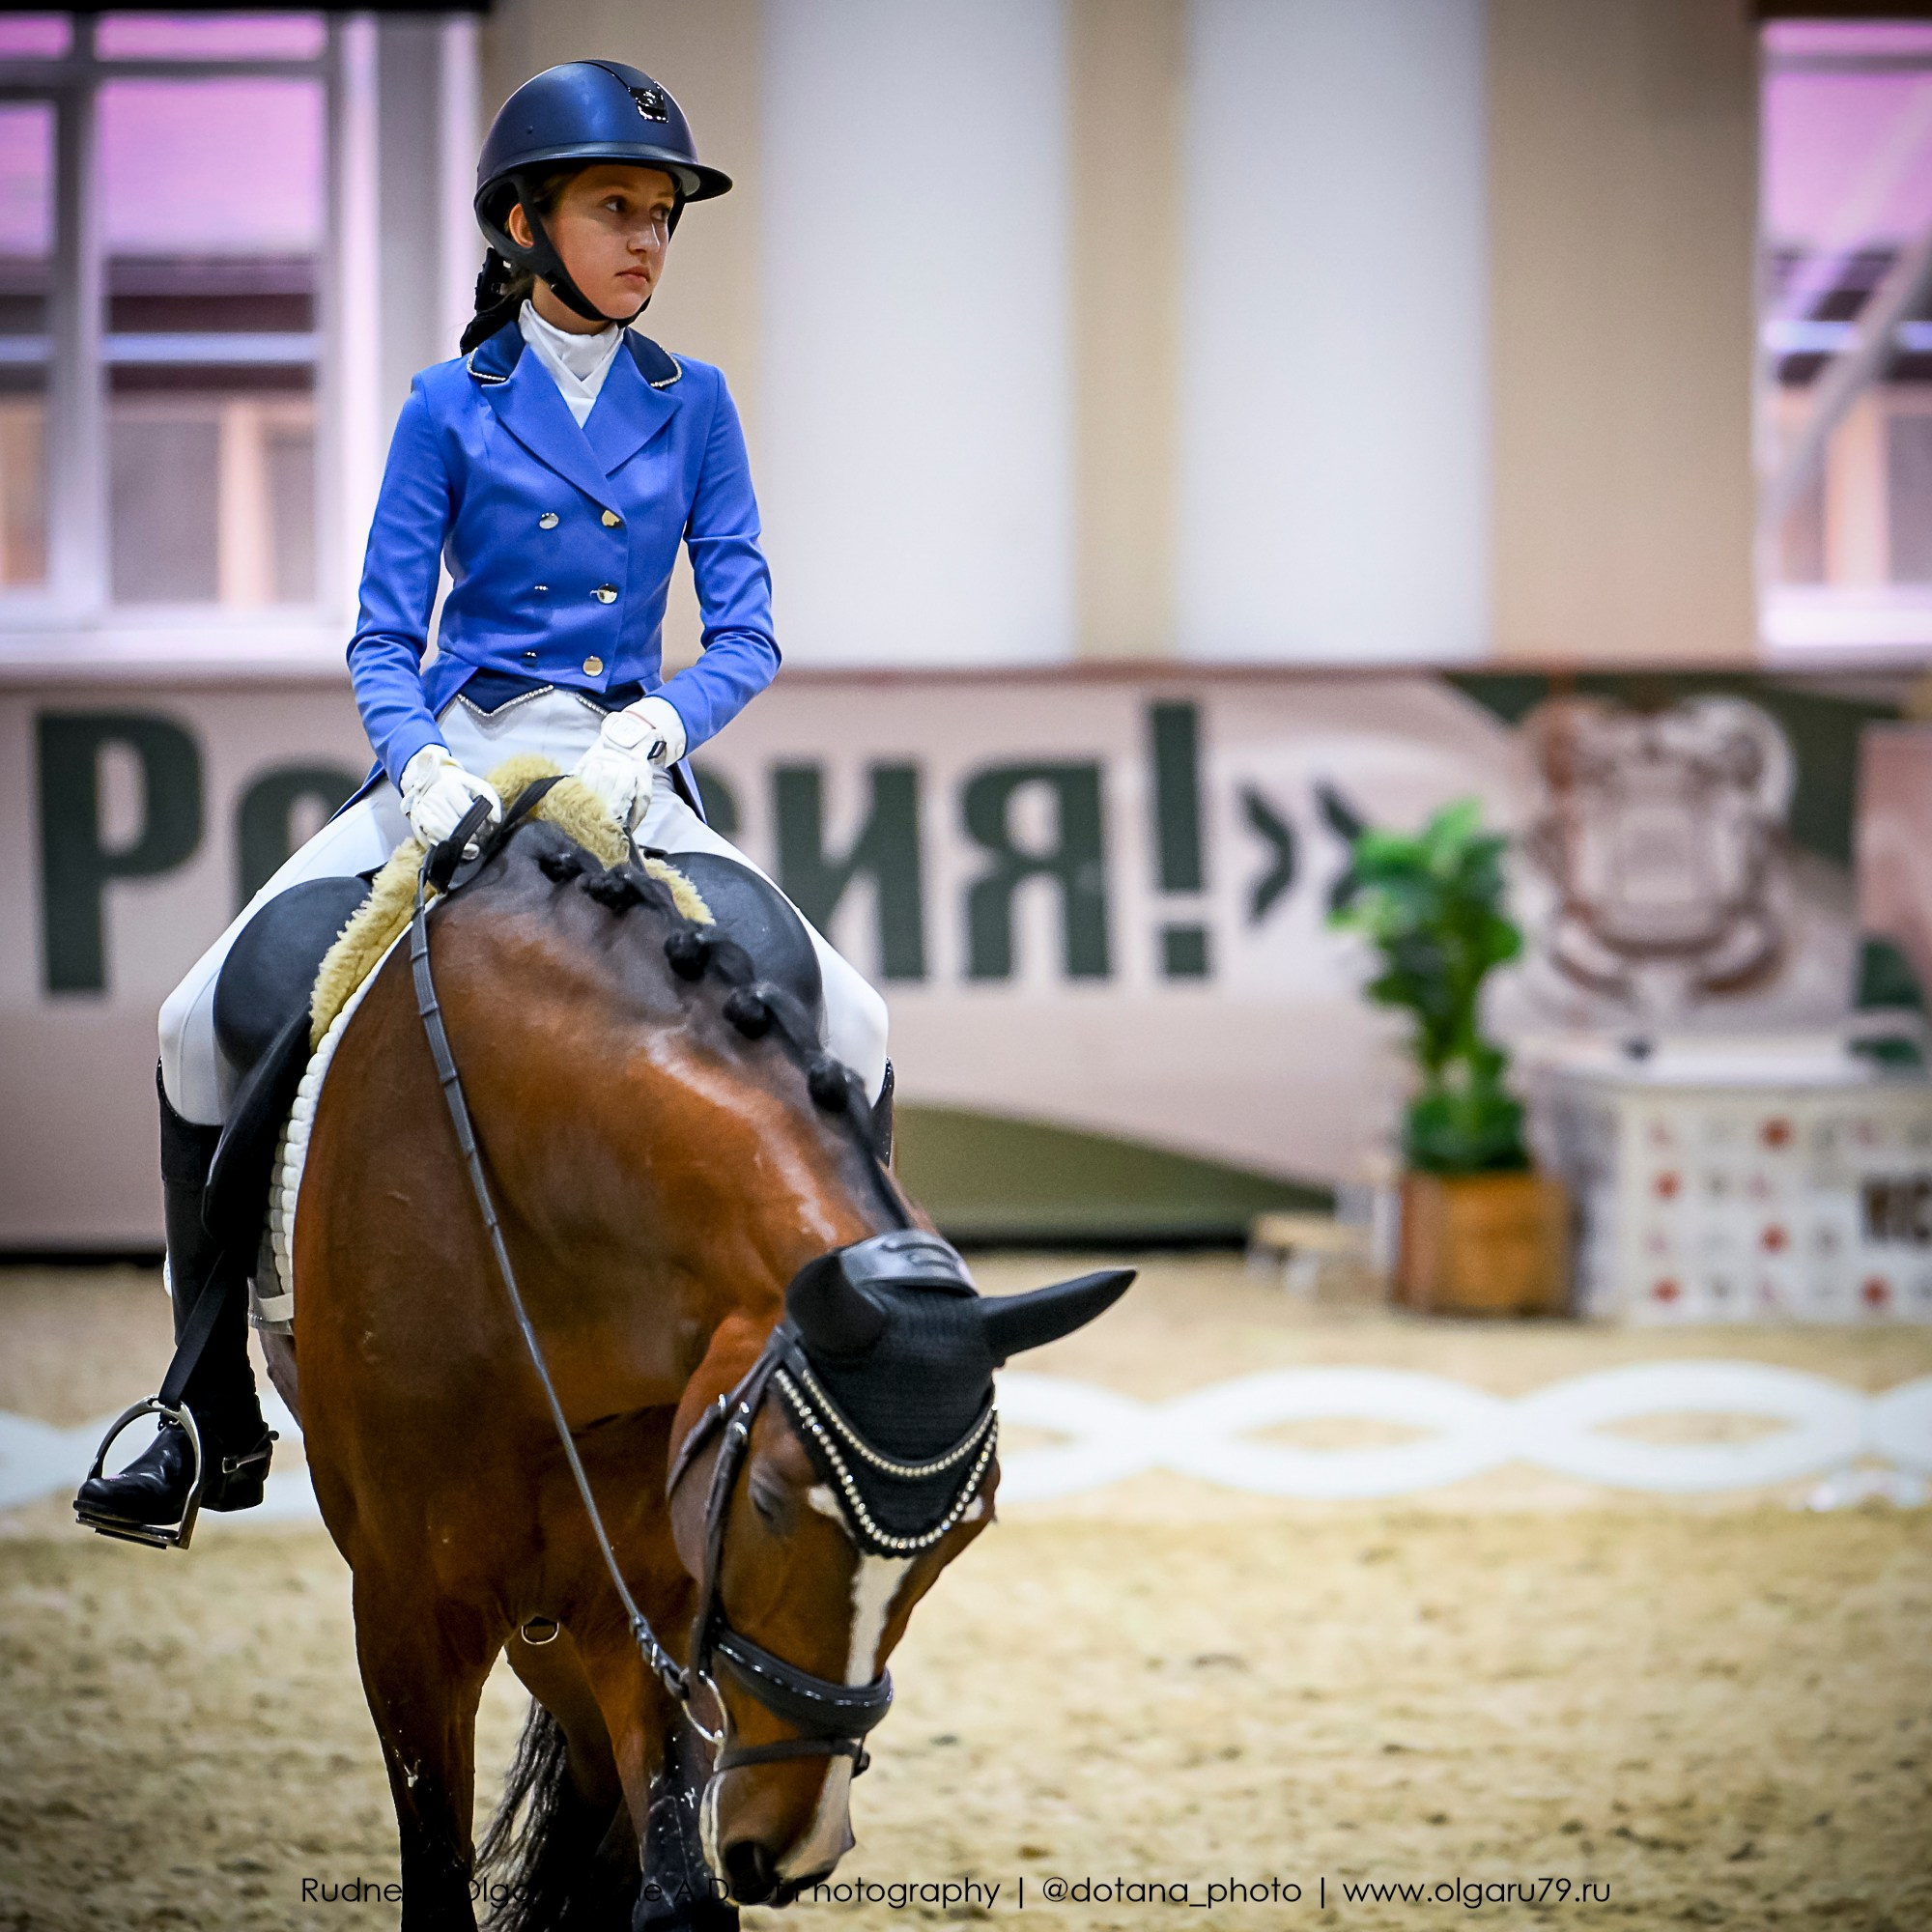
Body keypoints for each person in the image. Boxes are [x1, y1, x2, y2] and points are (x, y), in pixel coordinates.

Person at [76, 59, 890, 1538]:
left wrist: (659, 727)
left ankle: (853, 1362)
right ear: (526, 223)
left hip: (622, 763)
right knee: (195, 1017)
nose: (648, 239)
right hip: (458, 752)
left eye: (662, 215)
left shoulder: (694, 405)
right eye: (617, 209)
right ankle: (201, 1406)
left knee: (862, 1019)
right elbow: (381, 638)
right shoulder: (449, 407)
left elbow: (748, 633)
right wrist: (422, 762)